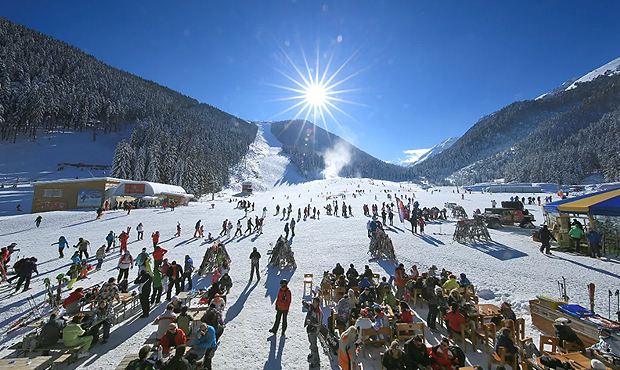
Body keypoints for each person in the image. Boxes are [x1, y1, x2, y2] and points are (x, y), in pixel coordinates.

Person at [304, 296, 322, 368]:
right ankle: (312, 355)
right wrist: (304, 303)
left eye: (314, 302)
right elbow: (308, 306)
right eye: (313, 301)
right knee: (311, 342)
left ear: (317, 303)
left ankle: (316, 362)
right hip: (310, 329)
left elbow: (318, 323)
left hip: (314, 330)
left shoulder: (319, 312)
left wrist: (310, 322)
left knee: (314, 345)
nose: (313, 303)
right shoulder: (312, 307)